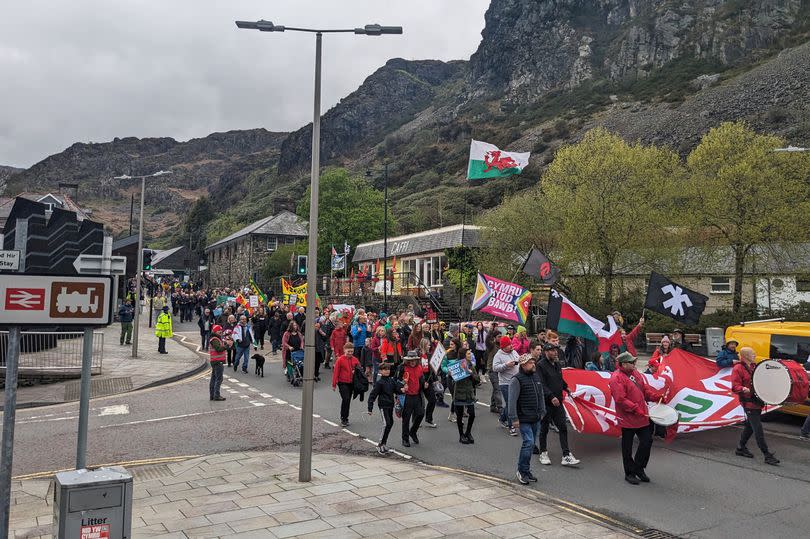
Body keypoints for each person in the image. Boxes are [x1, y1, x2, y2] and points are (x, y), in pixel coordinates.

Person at [608, 352, 666, 485]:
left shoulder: (636, 374)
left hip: (641, 415)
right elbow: (620, 399)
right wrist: (635, 408)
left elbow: (644, 391)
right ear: (623, 364)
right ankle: (629, 473)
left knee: (647, 441)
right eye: (631, 362)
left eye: (634, 361)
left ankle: (639, 468)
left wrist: (656, 397)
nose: (634, 364)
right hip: (628, 417)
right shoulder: (616, 378)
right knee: (627, 446)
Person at [731, 347, 779, 465]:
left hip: (757, 402)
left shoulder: (754, 366)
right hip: (748, 403)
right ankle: (767, 454)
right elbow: (734, 386)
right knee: (758, 429)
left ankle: (740, 448)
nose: (755, 354)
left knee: (750, 426)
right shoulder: (738, 368)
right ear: (745, 355)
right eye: (752, 353)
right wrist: (743, 389)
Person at [537, 343, 580, 466]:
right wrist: (551, 396)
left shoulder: (557, 364)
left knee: (563, 427)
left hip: (558, 402)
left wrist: (566, 388)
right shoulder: (540, 366)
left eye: (556, 350)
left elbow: (559, 379)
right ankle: (543, 452)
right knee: (544, 428)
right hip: (546, 403)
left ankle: (566, 455)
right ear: (546, 352)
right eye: (552, 351)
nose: (555, 352)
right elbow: (542, 384)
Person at [509, 353, 546, 485]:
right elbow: (512, 400)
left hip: (535, 417)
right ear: (523, 365)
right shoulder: (516, 380)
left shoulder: (536, 377)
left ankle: (526, 470)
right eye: (530, 363)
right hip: (523, 417)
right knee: (528, 442)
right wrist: (514, 418)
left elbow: (540, 394)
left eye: (534, 362)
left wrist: (542, 410)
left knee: (530, 446)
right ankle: (521, 470)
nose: (533, 364)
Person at [442, 342, 480, 444]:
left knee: (472, 414)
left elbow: (477, 379)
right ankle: (461, 435)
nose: (470, 355)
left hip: (469, 393)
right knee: (459, 416)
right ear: (463, 355)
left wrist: (471, 374)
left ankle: (468, 432)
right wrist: (450, 374)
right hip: (459, 392)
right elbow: (452, 379)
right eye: (468, 354)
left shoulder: (471, 365)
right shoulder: (457, 364)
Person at [367, 362, 404, 454]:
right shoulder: (379, 383)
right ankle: (380, 444)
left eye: (388, 369)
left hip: (390, 405)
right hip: (383, 406)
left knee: (390, 423)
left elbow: (396, 390)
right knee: (386, 424)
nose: (387, 371)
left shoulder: (391, 381)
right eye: (384, 369)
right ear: (380, 371)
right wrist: (370, 408)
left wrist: (402, 390)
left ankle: (384, 444)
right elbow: (372, 395)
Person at [398, 351, 426, 447]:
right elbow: (396, 381)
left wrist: (424, 384)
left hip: (417, 395)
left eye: (414, 360)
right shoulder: (402, 368)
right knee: (406, 419)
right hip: (407, 396)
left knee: (421, 414)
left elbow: (421, 380)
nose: (413, 362)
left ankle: (413, 432)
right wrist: (401, 386)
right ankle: (405, 439)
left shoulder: (419, 368)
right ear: (407, 360)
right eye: (411, 360)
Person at [493, 336, 520, 436]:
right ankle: (511, 426)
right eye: (508, 345)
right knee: (510, 404)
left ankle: (502, 418)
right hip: (505, 383)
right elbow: (495, 368)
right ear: (503, 347)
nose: (511, 346)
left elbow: (519, 360)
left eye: (510, 344)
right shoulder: (498, 355)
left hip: (516, 382)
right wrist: (506, 365)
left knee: (513, 403)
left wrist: (520, 361)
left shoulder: (514, 352)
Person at [333, 342, 361, 427]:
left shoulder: (355, 359)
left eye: (352, 352)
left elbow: (360, 370)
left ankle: (345, 418)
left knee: (347, 401)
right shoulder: (340, 359)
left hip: (351, 383)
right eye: (348, 351)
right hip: (342, 382)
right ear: (344, 350)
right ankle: (343, 418)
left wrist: (355, 371)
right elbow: (336, 372)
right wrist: (334, 384)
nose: (350, 353)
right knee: (346, 399)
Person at [208, 325, 229, 401]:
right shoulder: (215, 339)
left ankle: (212, 395)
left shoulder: (216, 339)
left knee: (214, 378)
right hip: (217, 361)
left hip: (215, 361)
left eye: (221, 330)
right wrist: (226, 346)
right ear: (215, 331)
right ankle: (216, 395)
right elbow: (218, 349)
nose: (220, 331)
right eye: (218, 330)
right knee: (218, 379)